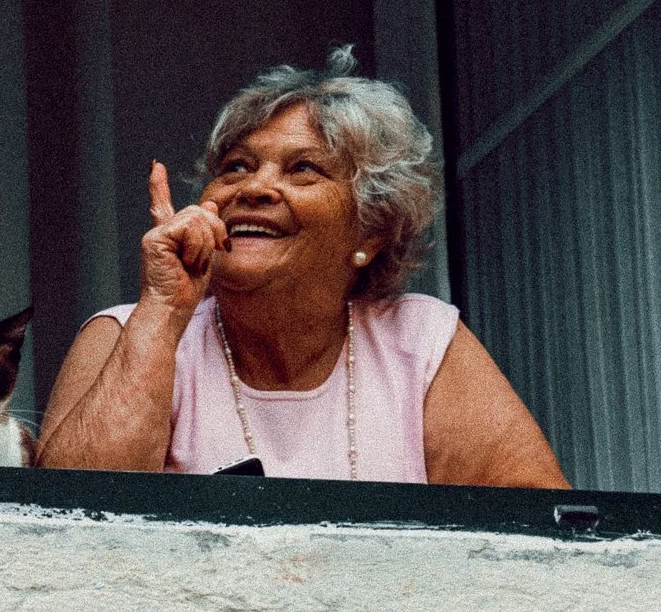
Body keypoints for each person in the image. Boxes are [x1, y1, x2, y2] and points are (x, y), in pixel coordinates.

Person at [37, 49, 568, 487]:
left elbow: (540, 539)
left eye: (303, 169)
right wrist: (162, 310)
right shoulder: (126, 334)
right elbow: (69, 527)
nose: (254, 187)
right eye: (236, 167)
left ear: (369, 233)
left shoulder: (419, 343)